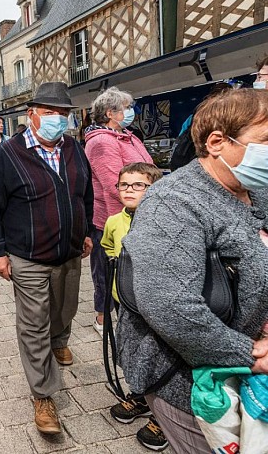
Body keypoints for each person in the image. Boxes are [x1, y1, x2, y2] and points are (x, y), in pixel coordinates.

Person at [116, 88, 268, 453]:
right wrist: (252, 354)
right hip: (187, 380)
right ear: (217, 142)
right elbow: (170, 306)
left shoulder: (255, 189)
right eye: (265, 140)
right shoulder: (173, 202)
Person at [0, 81, 94, 435]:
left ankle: (60, 339)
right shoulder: (9, 155)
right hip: (28, 256)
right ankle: (43, 395)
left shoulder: (75, 148)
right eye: (49, 113)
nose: (57, 120)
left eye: (63, 113)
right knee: (33, 325)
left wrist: (87, 230)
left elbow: (85, 193)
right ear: (31, 116)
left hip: (70, 251)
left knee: (65, 309)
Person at [99, 162, 168, 452]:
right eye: (124, 185)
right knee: (132, 352)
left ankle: (164, 416)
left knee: (161, 357)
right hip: (125, 302)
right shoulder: (114, 221)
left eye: (138, 185)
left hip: (155, 304)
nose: (129, 190)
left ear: (154, 189)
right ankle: (141, 396)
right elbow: (108, 248)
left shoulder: (163, 221)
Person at [85, 87, 153, 336]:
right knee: (106, 270)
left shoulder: (128, 136)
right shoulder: (102, 141)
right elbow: (115, 183)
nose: (130, 112)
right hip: (111, 219)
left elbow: (148, 169)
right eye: (127, 108)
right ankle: (102, 318)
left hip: (139, 213)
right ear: (111, 113)